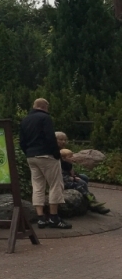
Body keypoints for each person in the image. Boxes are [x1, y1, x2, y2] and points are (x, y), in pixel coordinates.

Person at [19, 98, 71, 229]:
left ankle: (41, 218)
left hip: (31, 157)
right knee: (55, 185)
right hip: (46, 156)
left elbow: (22, 141)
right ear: (44, 107)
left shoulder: (25, 120)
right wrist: (56, 154)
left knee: (37, 186)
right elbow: (50, 137)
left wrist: (28, 152)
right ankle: (54, 218)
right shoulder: (45, 118)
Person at [57, 133, 110, 214]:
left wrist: (75, 174)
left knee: (84, 177)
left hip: (67, 176)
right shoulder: (57, 154)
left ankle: (86, 198)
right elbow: (60, 172)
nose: (63, 142)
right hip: (62, 179)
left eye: (65, 140)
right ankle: (91, 202)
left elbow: (69, 169)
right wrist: (73, 178)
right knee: (82, 182)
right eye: (61, 140)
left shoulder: (64, 152)